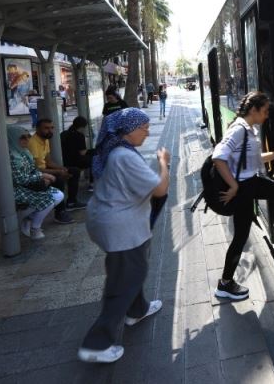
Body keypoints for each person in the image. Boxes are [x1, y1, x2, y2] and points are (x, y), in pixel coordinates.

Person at [78, 108, 170, 364]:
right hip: (121, 227)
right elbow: (160, 188)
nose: (147, 131)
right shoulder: (123, 156)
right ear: (128, 131)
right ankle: (96, 344)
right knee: (125, 281)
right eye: (144, 127)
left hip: (110, 221)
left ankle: (137, 310)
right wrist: (164, 162)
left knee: (129, 271)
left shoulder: (114, 150)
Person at [212, 91, 274, 301]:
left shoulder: (248, 129)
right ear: (254, 110)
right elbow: (218, 157)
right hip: (244, 187)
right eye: (265, 111)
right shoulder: (239, 130)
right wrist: (233, 186)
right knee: (241, 236)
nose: (267, 115)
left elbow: (254, 158)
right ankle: (225, 283)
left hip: (250, 183)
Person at [7, 125, 64, 239]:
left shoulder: (23, 152)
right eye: (22, 137)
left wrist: (41, 176)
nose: (27, 140)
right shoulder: (12, 156)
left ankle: (30, 218)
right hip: (17, 189)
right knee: (48, 200)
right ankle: (35, 228)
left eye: (28, 136)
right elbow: (20, 179)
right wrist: (42, 175)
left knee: (59, 195)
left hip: (28, 186)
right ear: (13, 138)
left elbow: (33, 170)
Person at [27, 119, 83, 225]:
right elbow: (34, 169)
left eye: (52, 128)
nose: (50, 130)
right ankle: (59, 213)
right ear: (38, 129)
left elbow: (48, 161)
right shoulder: (33, 143)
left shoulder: (45, 139)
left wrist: (61, 168)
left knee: (74, 171)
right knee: (59, 180)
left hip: (44, 169)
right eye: (46, 128)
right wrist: (58, 172)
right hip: (35, 173)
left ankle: (72, 201)